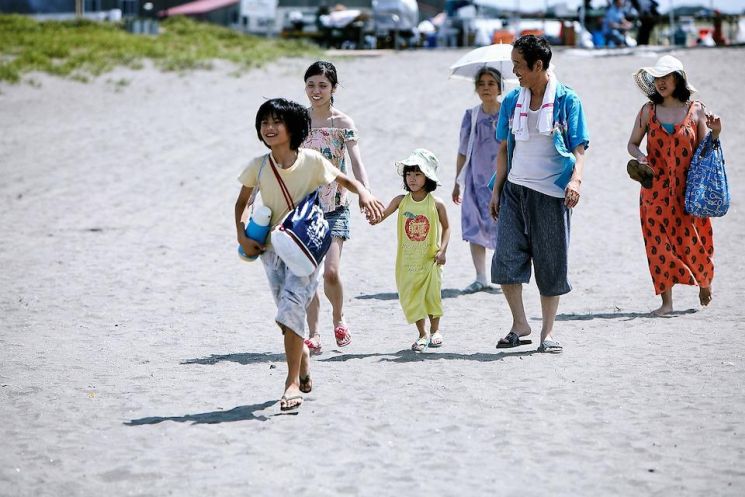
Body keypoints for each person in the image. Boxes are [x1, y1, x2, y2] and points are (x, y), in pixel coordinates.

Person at [234, 98, 383, 411]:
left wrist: (365, 193)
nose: (269, 128)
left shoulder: (313, 161)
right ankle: (301, 359)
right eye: (265, 123)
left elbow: (346, 180)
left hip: (304, 250)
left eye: (276, 122)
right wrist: (242, 233)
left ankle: (290, 384)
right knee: (287, 318)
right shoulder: (258, 165)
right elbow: (243, 203)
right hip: (271, 251)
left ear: (293, 127)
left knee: (290, 311)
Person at [488, 35, 589, 353]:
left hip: (551, 194)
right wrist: (497, 191)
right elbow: (504, 148)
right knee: (505, 259)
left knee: (551, 263)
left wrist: (576, 181)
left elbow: (579, 148)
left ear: (538, 65)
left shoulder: (567, 100)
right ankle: (520, 324)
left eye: (519, 64)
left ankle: (547, 333)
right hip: (515, 191)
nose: (514, 70)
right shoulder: (510, 102)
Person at [626, 55, 721, 316]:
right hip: (653, 190)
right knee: (657, 244)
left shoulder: (696, 110)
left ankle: (704, 281)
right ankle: (666, 303)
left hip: (688, 192)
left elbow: (704, 152)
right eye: (657, 78)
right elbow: (632, 143)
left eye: (666, 77)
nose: (661, 83)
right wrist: (640, 156)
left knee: (695, 240)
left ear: (678, 79)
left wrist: (716, 133)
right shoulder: (648, 111)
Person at [302, 61, 372, 355]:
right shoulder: (297, 121)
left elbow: (356, 162)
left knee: (330, 273)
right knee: (307, 275)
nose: (316, 91)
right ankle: (314, 334)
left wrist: (365, 194)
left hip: (335, 206)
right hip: (303, 209)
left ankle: (338, 316)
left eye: (322, 85)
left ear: (333, 88)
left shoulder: (343, 123)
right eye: (311, 85)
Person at [371, 149, 450, 352]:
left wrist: (443, 251)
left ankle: (435, 331)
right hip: (407, 262)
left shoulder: (436, 203)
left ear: (428, 177)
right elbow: (382, 216)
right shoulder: (400, 201)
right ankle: (422, 334)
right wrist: (373, 215)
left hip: (430, 260)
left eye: (417, 174)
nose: (412, 179)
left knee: (433, 295)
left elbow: (447, 227)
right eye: (409, 174)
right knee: (412, 297)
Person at [452, 66, 501, 294]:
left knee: (504, 227)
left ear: (499, 87)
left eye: (491, 83)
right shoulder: (471, 116)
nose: (486, 88)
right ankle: (481, 277)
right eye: (481, 83)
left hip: (501, 180)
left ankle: (503, 275)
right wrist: (457, 182)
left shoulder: (508, 114)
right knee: (474, 226)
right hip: (474, 180)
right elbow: (463, 150)